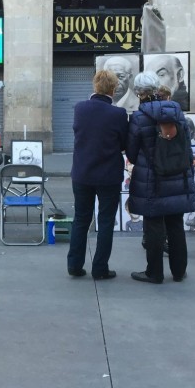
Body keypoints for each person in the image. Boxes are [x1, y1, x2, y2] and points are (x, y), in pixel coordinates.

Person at [126, 71, 195, 283]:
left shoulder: (139, 117)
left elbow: (131, 152)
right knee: (175, 224)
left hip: (152, 179)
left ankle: (154, 272)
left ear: (139, 93)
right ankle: (179, 271)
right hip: (178, 176)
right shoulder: (177, 111)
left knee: (154, 225)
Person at [67, 70, 129, 279]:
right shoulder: (118, 114)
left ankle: (74, 265)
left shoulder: (80, 108)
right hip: (108, 175)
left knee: (81, 219)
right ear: (113, 89)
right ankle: (100, 268)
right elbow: (123, 143)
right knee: (105, 221)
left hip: (82, 173)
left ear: (95, 86)